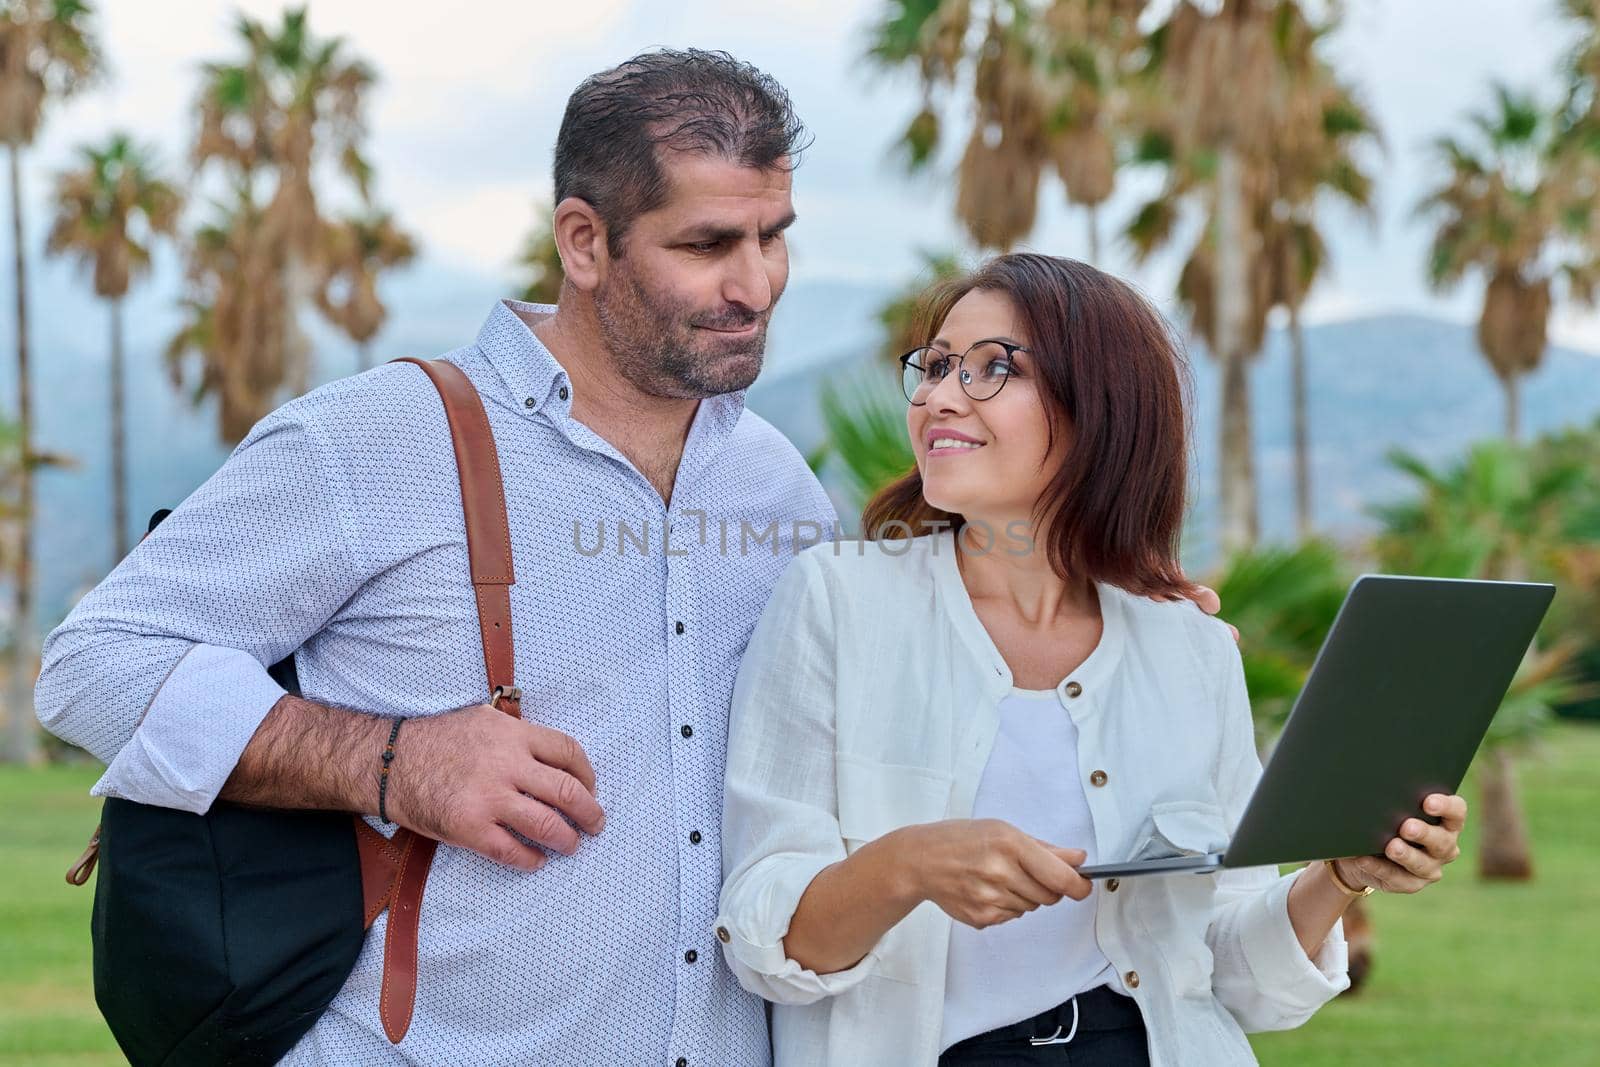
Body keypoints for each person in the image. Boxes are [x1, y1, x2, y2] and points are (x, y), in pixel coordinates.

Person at [36, 49, 831, 1065]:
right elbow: (92, 664)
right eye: (709, 243)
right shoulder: (375, 438)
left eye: (774, 237)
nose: (755, 282)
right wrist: (392, 761)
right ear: (584, 242)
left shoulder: (780, 488)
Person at [715, 253, 1468, 1067]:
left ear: (1100, 405)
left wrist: (1341, 874)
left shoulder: (1190, 646)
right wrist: (909, 865)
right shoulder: (835, 602)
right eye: (933, 367)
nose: (938, 395)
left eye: (991, 369)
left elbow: (1232, 975)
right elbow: (766, 940)